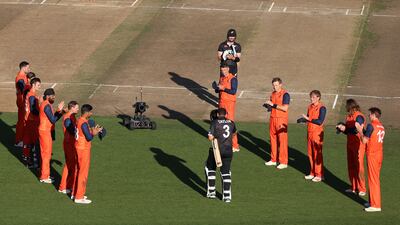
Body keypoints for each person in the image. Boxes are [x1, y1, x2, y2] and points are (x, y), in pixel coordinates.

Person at [355, 107, 385, 212]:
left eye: (370, 114)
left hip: (372, 155)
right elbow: (371, 135)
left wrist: (359, 130)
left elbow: (364, 140)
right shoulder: (381, 126)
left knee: (373, 180)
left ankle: (376, 205)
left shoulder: (371, 125)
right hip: (379, 154)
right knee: (374, 178)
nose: (368, 116)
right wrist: (363, 130)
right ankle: (372, 202)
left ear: (373, 115)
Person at [205, 108, 237, 203]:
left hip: (217, 150)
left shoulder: (215, 122)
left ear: (218, 114)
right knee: (226, 172)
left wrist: (216, 136)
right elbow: (234, 133)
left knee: (210, 168)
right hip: (228, 150)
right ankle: (227, 196)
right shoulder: (231, 122)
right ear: (226, 114)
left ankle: (211, 192)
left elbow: (210, 137)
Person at [336, 99, 366, 196]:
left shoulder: (359, 116)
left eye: (347, 106)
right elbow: (348, 131)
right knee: (351, 165)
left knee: (359, 166)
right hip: (350, 144)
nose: (346, 108)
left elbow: (357, 130)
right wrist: (341, 129)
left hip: (358, 145)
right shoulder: (348, 117)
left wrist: (346, 129)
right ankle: (354, 187)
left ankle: (362, 188)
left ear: (351, 106)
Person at [73, 104, 102, 204]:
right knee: (83, 173)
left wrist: (92, 131)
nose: (91, 113)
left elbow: (83, 133)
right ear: (87, 112)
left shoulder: (79, 120)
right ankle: (79, 197)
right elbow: (89, 137)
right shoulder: (84, 123)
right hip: (83, 149)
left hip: (78, 147)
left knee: (78, 170)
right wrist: (94, 133)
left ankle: (75, 192)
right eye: (90, 112)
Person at [38, 88, 64, 183]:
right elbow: (53, 120)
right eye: (52, 96)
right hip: (45, 131)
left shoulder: (47, 104)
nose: (54, 98)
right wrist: (60, 111)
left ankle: (45, 174)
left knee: (46, 153)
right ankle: (44, 177)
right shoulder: (47, 106)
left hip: (45, 130)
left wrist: (60, 112)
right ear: (48, 96)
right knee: (46, 154)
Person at [300, 90, 326, 182]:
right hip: (310, 132)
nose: (311, 99)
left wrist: (308, 119)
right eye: (311, 97)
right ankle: (313, 173)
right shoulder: (310, 107)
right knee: (310, 154)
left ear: (318, 97)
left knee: (317, 154)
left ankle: (319, 175)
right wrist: (303, 120)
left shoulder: (322, 108)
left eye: (313, 97)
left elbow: (320, 121)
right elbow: (308, 119)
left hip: (317, 134)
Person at [264, 77, 290, 169]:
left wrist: (273, 105)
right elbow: (272, 107)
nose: (274, 87)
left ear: (280, 84)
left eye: (276, 85)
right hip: (273, 119)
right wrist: (268, 106)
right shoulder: (272, 94)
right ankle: (273, 159)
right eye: (273, 85)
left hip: (281, 120)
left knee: (282, 141)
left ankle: (283, 162)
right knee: (273, 140)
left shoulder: (285, 94)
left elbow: (285, 108)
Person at [212, 63, 239, 152]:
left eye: (224, 70)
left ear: (228, 69)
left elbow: (233, 91)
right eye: (222, 70)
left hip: (229, 103)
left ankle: (235, 145)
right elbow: (218, 90)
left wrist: (223, 88)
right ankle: (225, 143)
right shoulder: (222, 78)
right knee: (221, 123)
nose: (223, 72)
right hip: (222, 102)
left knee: (230, 122)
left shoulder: (233, 79)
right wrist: (216, 88)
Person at [59, 101, 79, 195]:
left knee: (71, 165)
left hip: (71, 143)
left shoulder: (72, 116)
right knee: (69, 165)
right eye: (76, 107)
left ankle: (68, 185)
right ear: (72, 108)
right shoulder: (67, 118)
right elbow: (71, 129)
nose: (78, 109)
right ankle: (63, 186)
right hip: (69, 144)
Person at [22, 77, 41, 168]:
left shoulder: (29, 94)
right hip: (32, 121)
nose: (39, 87)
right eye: (38, 85)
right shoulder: (32, 96)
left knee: (30, 142)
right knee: (36, 142)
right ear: (33, 85)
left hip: (28, 120)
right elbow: (33, 110)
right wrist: (42, 111)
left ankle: (29, 161)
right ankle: (37, 162)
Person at [15, 61, 31, 147]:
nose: (29, 69)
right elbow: (22, 88)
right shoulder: (20, 78)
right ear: (23, 67)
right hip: (21, 101)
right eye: (28, 68)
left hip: (22, 100)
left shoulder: (23, 76)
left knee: (23, 120)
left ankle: (21, 138)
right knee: (21, 121)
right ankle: (18, 141)